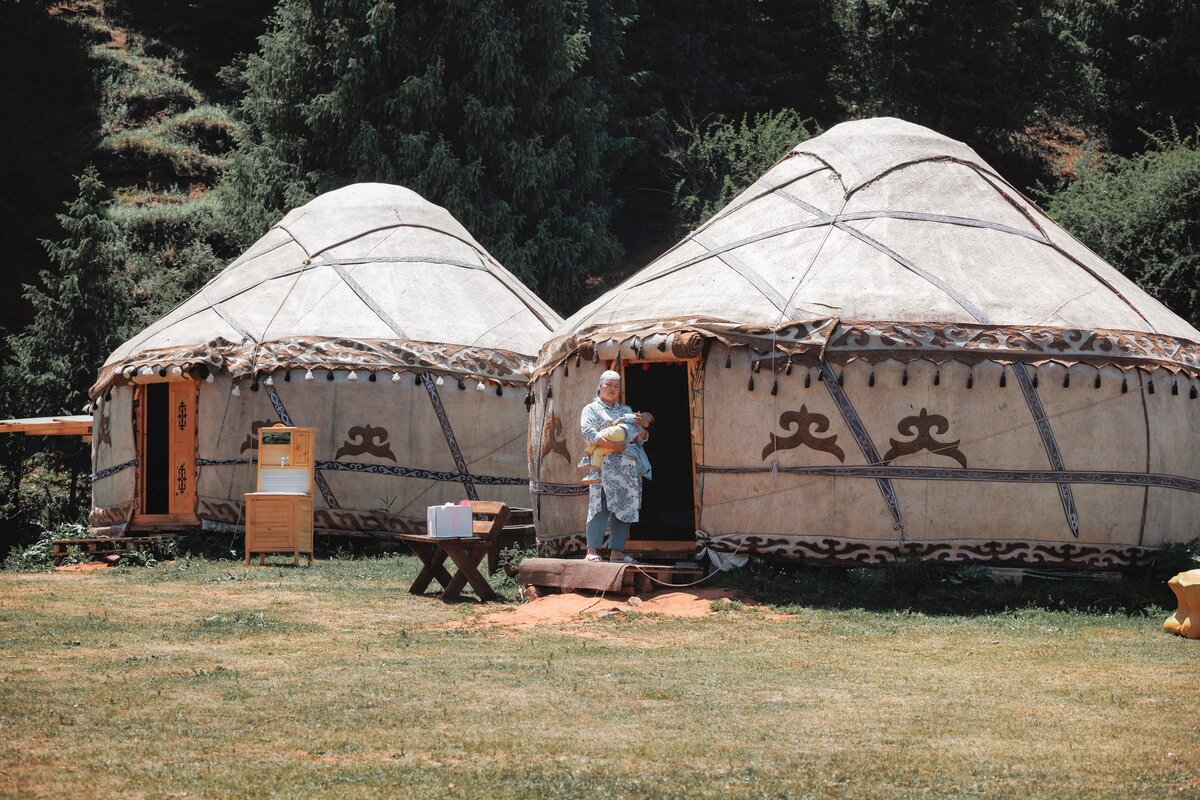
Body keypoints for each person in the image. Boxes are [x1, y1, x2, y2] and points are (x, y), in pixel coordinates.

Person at [579, 370, 653, 563]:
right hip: (603, 464)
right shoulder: (591, 409)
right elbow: (588, 433)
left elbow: (636, 438)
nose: (612, 389)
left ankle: (617, 551)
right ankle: (592, 550)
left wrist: (643, 431)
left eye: (616, 386)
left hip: (627, 467)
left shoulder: (625, 410)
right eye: (608, 385)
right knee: (600, 505)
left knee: (625, 506)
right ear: (600, 386)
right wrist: (612, 445)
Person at [578, 411, 654, 485]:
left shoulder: (637, 418)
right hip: (622, 443)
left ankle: (587, 457)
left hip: (620, 432)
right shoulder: (640, 428)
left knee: (597, 437)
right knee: (598, 451)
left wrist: (617, 421)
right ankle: (594, 474)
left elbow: (621, 419)